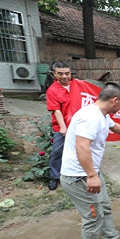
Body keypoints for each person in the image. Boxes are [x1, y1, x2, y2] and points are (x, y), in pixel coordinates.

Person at [60, 83, 120, 239]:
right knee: (93, 215)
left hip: (90, 172)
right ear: (114, 100)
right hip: (79, 177)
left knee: (104, 205)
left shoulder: (101, 114)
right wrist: (91, 176)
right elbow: (81, 146)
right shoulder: (90, 117)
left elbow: (113, 126)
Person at [45, 61, 85, 191]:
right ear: (54, 74)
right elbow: (56, 110)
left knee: (81, 149)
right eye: (60, 74)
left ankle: (79, 173)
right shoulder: (52, 91)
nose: (64, 76)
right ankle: (54, 177)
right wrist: (63, 128)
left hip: (80, 125)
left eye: (67, 73)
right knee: (57, 151)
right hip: (62, 127)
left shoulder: (78, 85)